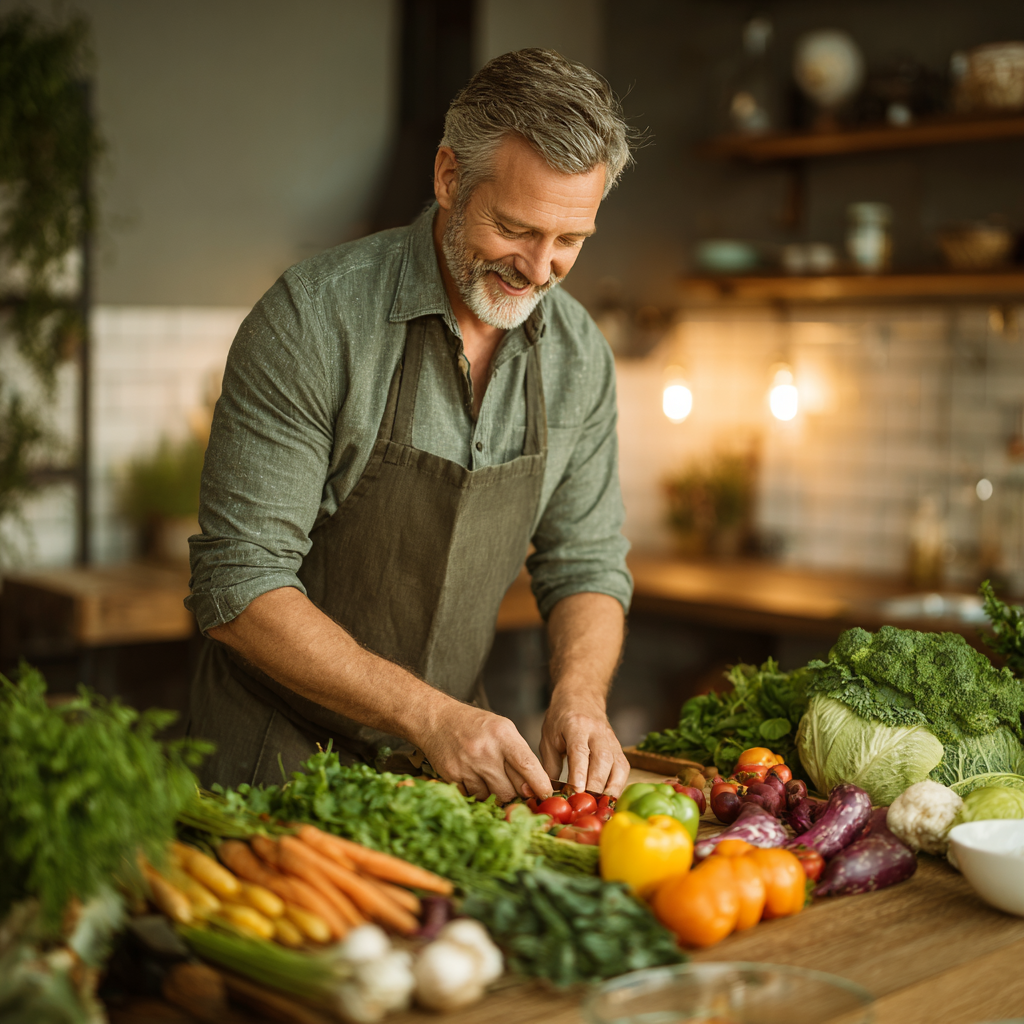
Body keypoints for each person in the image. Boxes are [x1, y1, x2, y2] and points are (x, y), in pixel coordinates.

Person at [186, 48, 637, 804]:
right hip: (275, 765)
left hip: (448, 779)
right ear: (449, 177)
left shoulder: (579, 354)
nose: (539, 269)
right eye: (517, 229)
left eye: (570, 241)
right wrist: (428, 715)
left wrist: (581, 697)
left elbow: (588, 563)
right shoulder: (313, 319)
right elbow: (239, 583)